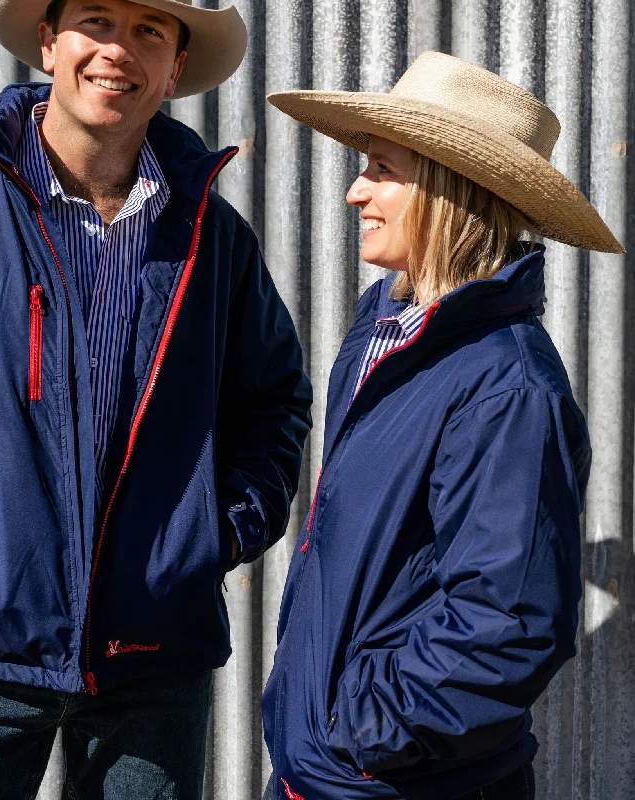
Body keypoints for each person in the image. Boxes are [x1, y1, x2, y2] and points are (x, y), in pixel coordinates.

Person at [0, 0, 313, 797]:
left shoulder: (211, 236)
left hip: (152, 654)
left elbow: (273, 402)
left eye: (149, 33)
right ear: (50, 43)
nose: (117, 51)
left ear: (174, 70)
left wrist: (212, 535)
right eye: (96, 21)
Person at [261, 51, 622, 800]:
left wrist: (364, 734)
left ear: (449, 188)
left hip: (401, 781)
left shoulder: (505, 387)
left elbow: (509, 619)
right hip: (328, 772)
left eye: (382, 169)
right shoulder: (386, 333)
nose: (355, 191)